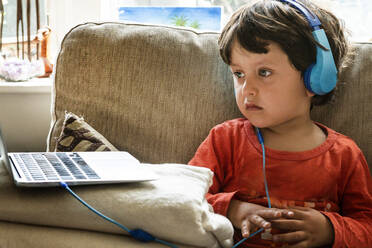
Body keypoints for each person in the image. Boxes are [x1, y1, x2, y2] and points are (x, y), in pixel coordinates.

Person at [188, 0, 372, 247]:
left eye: (264, 72)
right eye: (239, 74)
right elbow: (185, 195)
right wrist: (234, 209)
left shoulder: (344, 156)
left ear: (316, 78)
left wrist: (330, 230)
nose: (247, 90)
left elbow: (367, 226)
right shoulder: (225, 140)